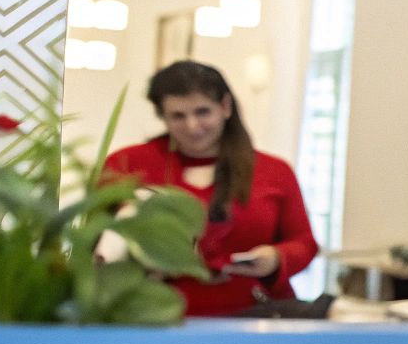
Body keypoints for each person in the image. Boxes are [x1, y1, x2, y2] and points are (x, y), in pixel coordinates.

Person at [104, 61, 319, 317]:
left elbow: (304, 242)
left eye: (203, 112)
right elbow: (96, 244)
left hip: (255, 318)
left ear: (226, 107)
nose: (192, 126)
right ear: (162, 116)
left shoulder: (274, 171)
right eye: (178, 116)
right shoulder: (126, 165)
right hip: (157, 319)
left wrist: (275, 258)